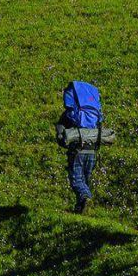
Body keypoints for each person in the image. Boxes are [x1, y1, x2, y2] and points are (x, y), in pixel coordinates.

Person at [55, 81, 107, 214]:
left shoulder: (69, 114)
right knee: (85, 178)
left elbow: (61, 136)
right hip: (92, 150)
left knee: (76, 179)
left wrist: (63, 141)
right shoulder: (95, 114)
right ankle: (81, 207)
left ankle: (85, 198)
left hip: (77, 150)